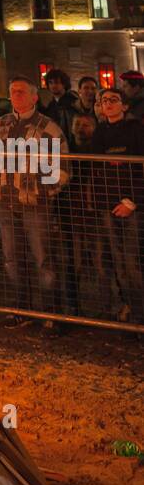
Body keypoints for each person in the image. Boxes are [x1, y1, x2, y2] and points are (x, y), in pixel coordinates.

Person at [0, 77, 68, 332]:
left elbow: (63, 165)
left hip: (35, 204)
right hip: (6, 202)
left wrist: (44, 192)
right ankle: (20, 308)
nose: (16, 95)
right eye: (13, 92)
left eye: (21, 91)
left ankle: (50, 312)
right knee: (11, 257)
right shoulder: (1, 124)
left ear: (34, 97)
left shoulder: (48, 128)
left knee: (42, 257)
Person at [89, 88, 144, 325]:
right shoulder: (99, 132)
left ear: (124, 105)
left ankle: (141, 312)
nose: (108, 104)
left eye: (114, 100)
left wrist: (132, 201)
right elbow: (95, 169)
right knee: (118, 260)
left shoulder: (136, 130)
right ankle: (130, 310)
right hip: (107, 206)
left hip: (130, 205)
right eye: (104, 101)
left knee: (132, 262)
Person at [39, 68, 77, 145]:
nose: (53, 85)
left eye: (56, 82)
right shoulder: (52, 105)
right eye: (50, 82)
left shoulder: (73, 102)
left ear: (64, 84)